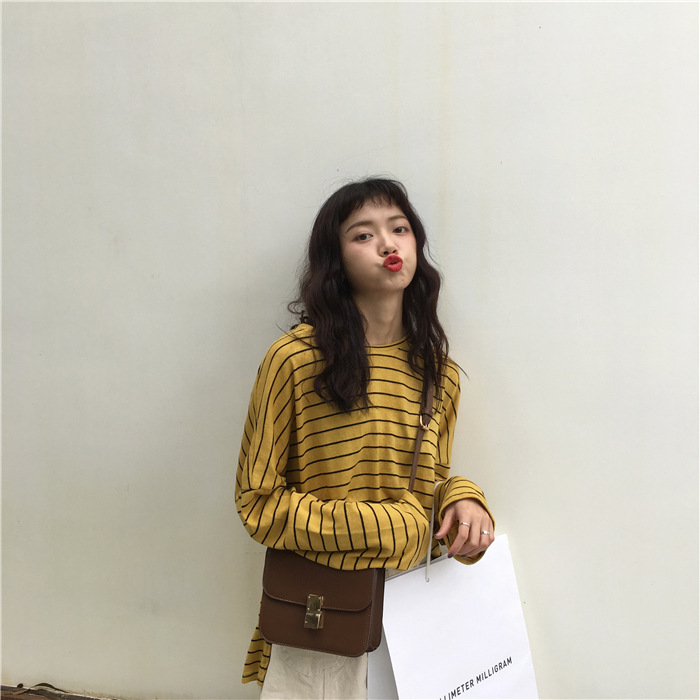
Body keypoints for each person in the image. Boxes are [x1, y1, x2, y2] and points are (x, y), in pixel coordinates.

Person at [235, 177, 495, 699]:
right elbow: (256, 504)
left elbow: (424, 488)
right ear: (335, 259)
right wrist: (386, 527)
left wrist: (463, 500)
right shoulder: (295, 360)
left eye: (399, 228)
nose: (387, 244)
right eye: (363, 234)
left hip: (413, 617)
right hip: (323, 616)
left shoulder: (439, 373)